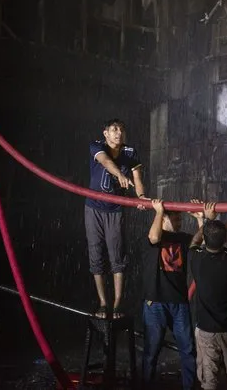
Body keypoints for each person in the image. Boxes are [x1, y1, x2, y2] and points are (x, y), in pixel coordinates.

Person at [84, 118, 147, 318]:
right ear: (106, 133)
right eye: (114, 129)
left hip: (115, 210)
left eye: (122, 129)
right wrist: (119, 174)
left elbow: (137, 179)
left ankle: (117, 303)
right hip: (93, 208)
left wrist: (142, 197)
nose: (119, 133)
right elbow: (105, 161)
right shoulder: (96, 146)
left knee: (117, 257)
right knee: (96, 255)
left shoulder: (130, 152)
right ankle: (103, 303)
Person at [189, 202, 227, 390]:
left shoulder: (197, 259)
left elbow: (194, 243)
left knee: (209, 379)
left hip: (207, 330)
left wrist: (207, 220)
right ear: (225, 240)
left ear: (205, 240)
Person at [142, 199, 195, 389]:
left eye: (180, 219)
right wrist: (158, 212)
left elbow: (204, 242)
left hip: (179, 302)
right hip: (155, 301)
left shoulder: (183, 238)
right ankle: (147, 386)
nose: (179, 222)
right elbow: (155, 237)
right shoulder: (155, 236)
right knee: (151, 351)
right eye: (176, 219)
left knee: (188, 349)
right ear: (164, 218)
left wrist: (200, 219)